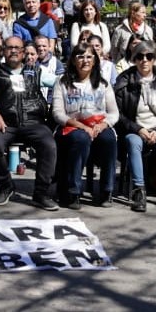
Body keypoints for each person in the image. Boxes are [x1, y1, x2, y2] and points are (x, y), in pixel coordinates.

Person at [0, 36, 58, 209]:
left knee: (49, 144)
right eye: (10, 47)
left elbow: (60, 82)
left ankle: (41, 193)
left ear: (23, 52)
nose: (14, 51)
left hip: (33, 122)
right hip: (4, 123)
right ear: (3, 51)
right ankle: (6, 185)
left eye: (17, 48)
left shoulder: (36, 72)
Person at [114, 41, 156, 212]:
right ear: (134, 59)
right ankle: (139, 190)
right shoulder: (124, 81)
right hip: (135, 129)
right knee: (133, 142)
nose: (144, 60)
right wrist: (138, 129)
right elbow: (118, 114)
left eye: (149, 56)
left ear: (154, 59)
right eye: (140, 56)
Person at [52, 42, 119, 210]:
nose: (85, 60)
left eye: (89, 57)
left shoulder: (103, 84)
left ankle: (106, 190)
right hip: (71, 127)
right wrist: (81, 126)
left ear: (95, 61)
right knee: (80, 138)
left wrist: (103, 125)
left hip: (97, 126)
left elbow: (114, 113)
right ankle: (73, 191)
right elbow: (58, 113)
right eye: (80, 57)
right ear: (74, 60)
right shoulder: (62, 82)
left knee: (109, 139)